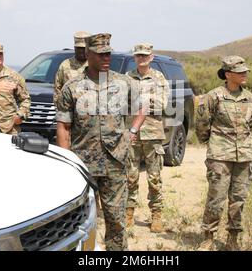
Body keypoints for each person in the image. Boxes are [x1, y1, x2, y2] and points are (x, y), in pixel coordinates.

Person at [56, 33, 146, 251]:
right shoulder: (72, 87)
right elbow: (63, 127)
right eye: (101, 54)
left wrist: (132, 131)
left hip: (115, 162)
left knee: (116, 220)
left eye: (108, 54)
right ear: (88, 54)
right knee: (83, 221)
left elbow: (142, 108)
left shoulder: (123, 83)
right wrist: (66, 163)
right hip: (83, 164)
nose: (106, 58)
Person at [195, 56, 252, 251]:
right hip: (220, 155)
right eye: (240, 72)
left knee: (239, 198)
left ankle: (233, 239)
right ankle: (208, 237)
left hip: (245, 155)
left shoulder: (250, 98)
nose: (245, 74)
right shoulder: (214, 96)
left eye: (245, 71)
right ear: (229, 74)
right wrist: (212, 142)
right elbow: (203, 123)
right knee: (216, 197)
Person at [125, 43, 170, 233]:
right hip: (131, 133)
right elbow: (120, 102)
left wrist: (139, 101)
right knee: (130, 176)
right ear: (134, 58)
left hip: (153, 133)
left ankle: (156, 216)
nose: (141, 58)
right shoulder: (127, 78)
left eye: (145, 55)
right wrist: (147, 99)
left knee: (154, 177)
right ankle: (128, 214)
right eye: (138, 55)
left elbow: (163, 104)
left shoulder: (159, 78)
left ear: (151, 57)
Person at [53, 31, 91, 103]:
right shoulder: (65, 65)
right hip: (69, 110)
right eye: (79, 48)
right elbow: (57, 89)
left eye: (84, 48)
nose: (81, 51)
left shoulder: (96, 65)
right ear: (74, 48)